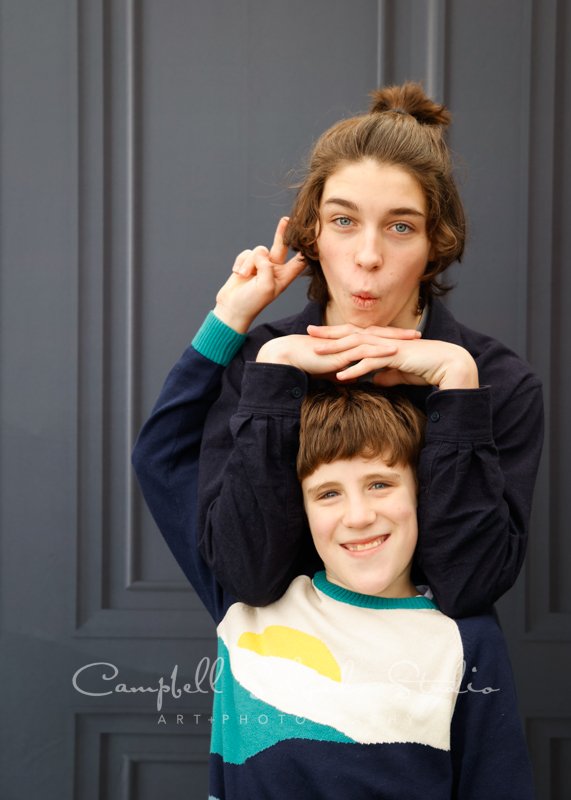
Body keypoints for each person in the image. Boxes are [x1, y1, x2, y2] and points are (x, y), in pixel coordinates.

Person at [132, 81, 543, 617]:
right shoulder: (261, 360)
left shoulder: (497, 381)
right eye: (344, 222)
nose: (368, 256)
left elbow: (469, 586)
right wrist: (253, 350)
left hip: (439, 694)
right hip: (286, 687)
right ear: (314, 233)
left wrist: (458, 388)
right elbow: (249, 575)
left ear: (435, 243)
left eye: (400, 226)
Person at [135, 378, 535, 799]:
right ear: (299, 508)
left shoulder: (466, 640)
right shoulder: (246, 610)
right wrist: (256, 344)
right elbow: (159, 455)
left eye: (380, 484)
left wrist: (458, 376)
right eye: (328, 493)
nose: (358, 516)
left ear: (421, 492)